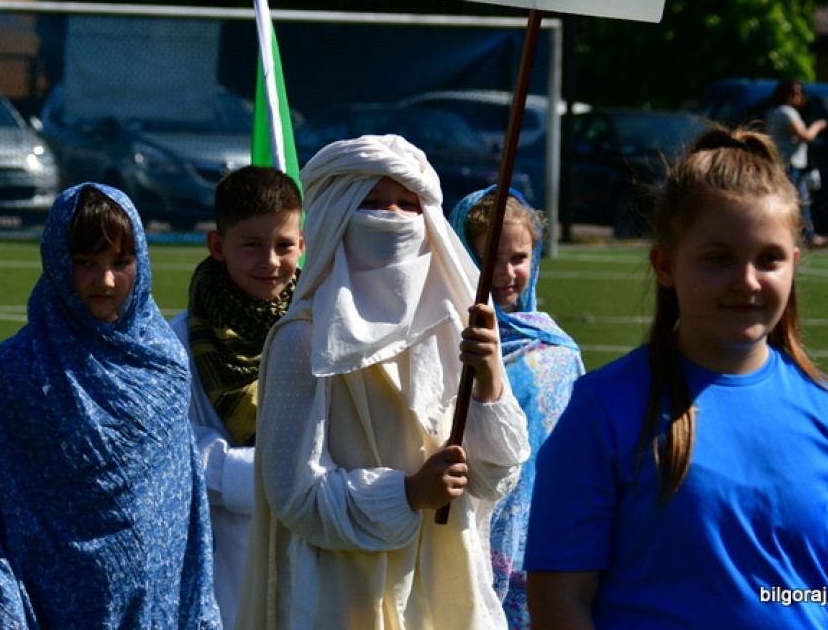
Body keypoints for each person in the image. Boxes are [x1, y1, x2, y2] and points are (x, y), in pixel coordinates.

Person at [524, 127, 828, 630]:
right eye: (718, 258)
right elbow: (560, 596)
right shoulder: (603, 409)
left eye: (768, 259)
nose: (747, 281)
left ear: (793, 264)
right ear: (665, 265)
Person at [236, 134, 530, 630]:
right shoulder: (302, 339)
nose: (391, 216)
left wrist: (490, 382)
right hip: (341, 596)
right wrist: (409, 494)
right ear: (335, 214)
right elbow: (294, 495)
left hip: (447, 593)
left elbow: (494, 476)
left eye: (406, 204)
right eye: (371, 202)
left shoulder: (458, 326)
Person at [0, 183, 221, 629]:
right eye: (85, 262)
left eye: (121, 262)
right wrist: (1, 599)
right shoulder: (14, 371)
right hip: (49, 604)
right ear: (57, 261)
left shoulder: (164, 363)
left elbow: (186, 501)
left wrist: (198, 607)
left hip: (153, 605)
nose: (106, 280)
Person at [169, 165, 304, 629]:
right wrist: (273, 475)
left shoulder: (322, 331)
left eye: (284, 245)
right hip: (221, 552)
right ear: (217, 246)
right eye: (251, 245)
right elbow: (172, 448)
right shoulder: (177, 343)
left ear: (303, 245)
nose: (270, 261)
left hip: (310, 543)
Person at [448, 187, 584, 629]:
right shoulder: (442, 340)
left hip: (540, 542)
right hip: (462, 537)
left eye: (519, 258)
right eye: (490, 260)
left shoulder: (557, 350)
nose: (506, 274)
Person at [764, 77, 828, 246]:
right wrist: (818, 126)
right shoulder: (786, 112)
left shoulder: (774, 111)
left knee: (798, 200)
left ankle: (805, 234)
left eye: (800, 92)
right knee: (794, 200)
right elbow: (805, 135)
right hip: (789, 163)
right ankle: (802, 235)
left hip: (782, 162)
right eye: (794, 93)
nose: (799, 96)